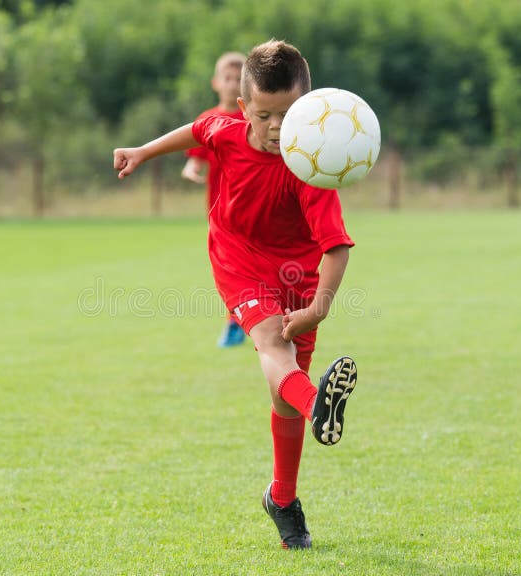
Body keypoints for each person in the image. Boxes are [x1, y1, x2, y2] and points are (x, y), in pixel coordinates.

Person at [114, 39, 358, 550]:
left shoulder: (312, 167)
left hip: (298, 279)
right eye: (264, 114)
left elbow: (335, 248)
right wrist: (142, 151)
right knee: (273, 344)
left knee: (281, 393)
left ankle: (283, 499)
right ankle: (320, 407)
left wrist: (318, 307)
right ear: (243, 108)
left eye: (288, 115)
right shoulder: (225, 131)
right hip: (237, 260)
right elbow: (197, 130)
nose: (275, 127)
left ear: (308, 112)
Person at [181, 51, 248, 348]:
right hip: (220, 212)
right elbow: (195, 156)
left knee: (249, 266)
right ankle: (238, 318)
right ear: (215, 82)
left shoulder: (254, 119)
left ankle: (240, 320)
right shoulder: (208, 120)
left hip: (251, 206)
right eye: (228, 78)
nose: (233, 85)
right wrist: (191, 168)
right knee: (228, 269)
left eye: (239, 79)